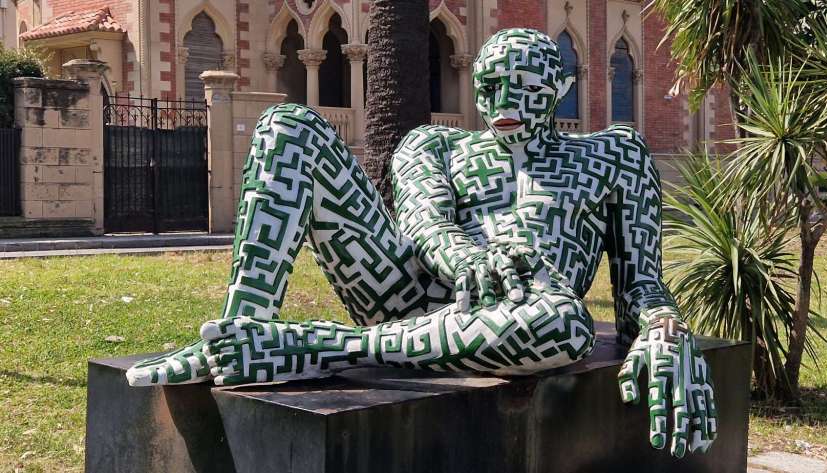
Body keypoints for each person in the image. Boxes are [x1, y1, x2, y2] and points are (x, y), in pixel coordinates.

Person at [126, 28, 716, 458]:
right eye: (490, 87)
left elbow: (642, 284)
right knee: (288, 127)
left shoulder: (615, 155)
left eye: (525, 87)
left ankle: (314, 347)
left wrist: (664, 331)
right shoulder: (433, 145)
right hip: (410, 297)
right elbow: (423, 226)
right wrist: (472, 260)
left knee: (565, 326)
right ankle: (239, 334)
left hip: (526, 316)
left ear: (561, 85)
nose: (503, 104)